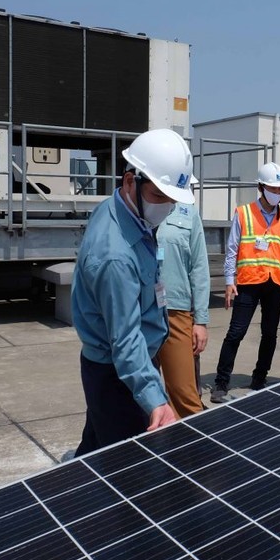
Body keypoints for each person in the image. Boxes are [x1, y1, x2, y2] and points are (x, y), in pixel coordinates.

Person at [71, 128, 193, 456]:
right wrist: (155, 399)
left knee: (95, 449)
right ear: (130, 182)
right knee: (127, 469)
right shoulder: (115, 255)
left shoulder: (124, 211)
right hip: (119, 375)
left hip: (119, 366)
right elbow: (125, 340)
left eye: (172, 199)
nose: (165, 207)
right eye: (158, 196)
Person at [211, 162, 280, 402]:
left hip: (276, 284)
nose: (277, 193)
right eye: (273, 188)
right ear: (261, 187)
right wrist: (229, 281)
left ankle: (260, 378)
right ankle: (221, 382)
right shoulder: (244, 213)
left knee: (269, 334)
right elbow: (232, 250)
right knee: (236, 332)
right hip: (247, 283)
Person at [156, 201, 210, 417]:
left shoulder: (189, 216)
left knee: (184, 392)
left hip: (176, 311)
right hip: (139, 310)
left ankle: (194, 446)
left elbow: (199, 268)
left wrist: (200, 321)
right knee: (133, 393)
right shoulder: (133, 209)